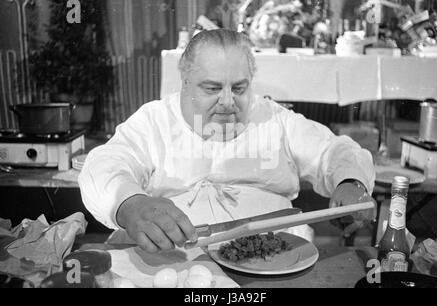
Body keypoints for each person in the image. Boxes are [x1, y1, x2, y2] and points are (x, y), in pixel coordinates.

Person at [78, 29, 376, 253]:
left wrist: (352, 182)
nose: (227, 101)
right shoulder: (155, 120)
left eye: (239, 88)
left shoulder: (273, 118)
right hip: (177, 262)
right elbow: (105, 164)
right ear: (184, 81)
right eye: (212, 88)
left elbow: (334, 151)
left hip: (275, 262)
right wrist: (130, 205)